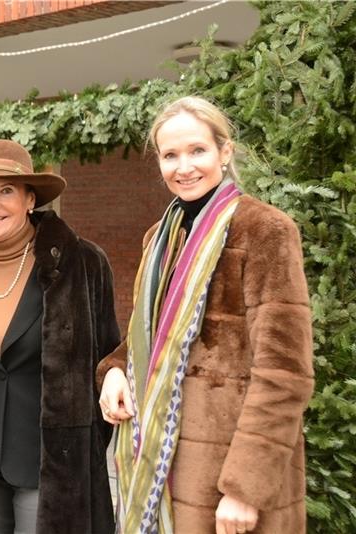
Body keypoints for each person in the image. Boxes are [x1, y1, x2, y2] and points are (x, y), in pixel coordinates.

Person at [97, 96, 314, 533]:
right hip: (162, 467)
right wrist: (116, 369)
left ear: (225, 151)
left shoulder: (265, 230)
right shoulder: (159, 239)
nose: (184, 167)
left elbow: (285, 373)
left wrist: (244, 487)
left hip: (228, 475)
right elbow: (150, 336)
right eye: (170, 155)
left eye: (197, 150)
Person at [0, 139, 120, 534]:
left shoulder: (82, 263)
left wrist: (82, 444)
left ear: (30, 199)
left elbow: (108, 357)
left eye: (6, 191)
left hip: (50, 460)